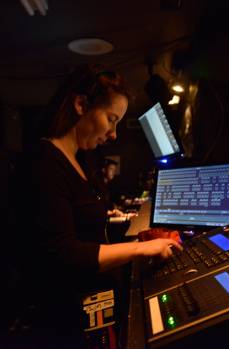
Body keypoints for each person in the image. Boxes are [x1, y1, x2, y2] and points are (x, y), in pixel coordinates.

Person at [14, 64, 182, 343]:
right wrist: (139, 248)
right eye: (111, 119)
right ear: (81, 105)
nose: (114, 134)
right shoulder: (43, 163)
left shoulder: (80, 159)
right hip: (62, 322)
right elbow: (63, 254)